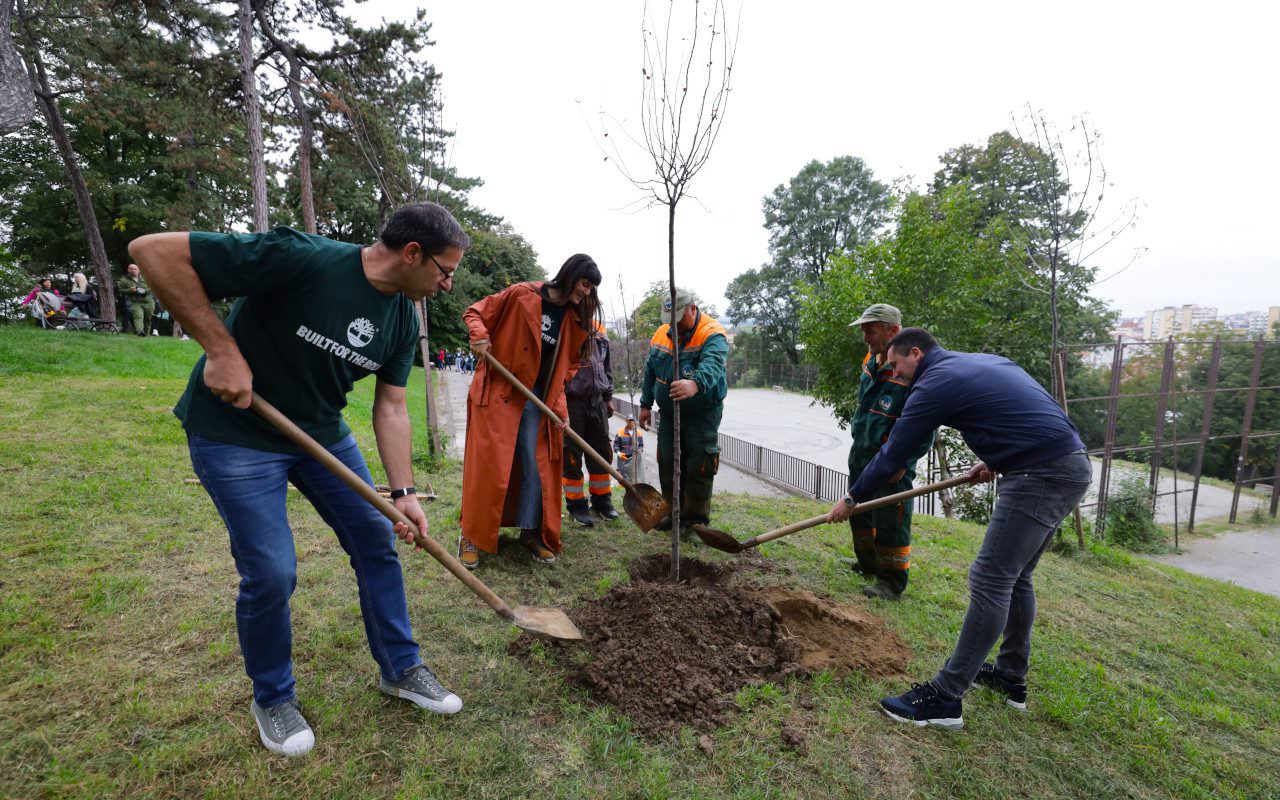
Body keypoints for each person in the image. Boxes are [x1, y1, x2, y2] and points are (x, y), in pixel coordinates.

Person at [128, 201, 469, 757]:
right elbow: (152, 251)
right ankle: (273, 699)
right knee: (271, 570)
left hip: (320, 436)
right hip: (234, 436)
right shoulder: (302, 259)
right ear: (412, 253)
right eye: (445, 271)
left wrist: (403, 494)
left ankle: (401, 668)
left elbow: (391, 408)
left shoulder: (405, 316)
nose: (448, 284)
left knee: (377, 542)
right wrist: (220, 348)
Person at [826, 328, 1091, 730]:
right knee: (1017, 578)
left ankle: (945, 698)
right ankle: (1009, 677)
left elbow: (894, 453)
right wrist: (999, 457)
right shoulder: (981, 361)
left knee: (991, 579)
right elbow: (1029, 415)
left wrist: (853, 498)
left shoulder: (932, 384)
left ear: (915, 353)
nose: (895, 375)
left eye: (896, 366)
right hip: (1067, 461)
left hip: (1041, 475)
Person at [458, 254, 601, 569]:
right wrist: (480, 336)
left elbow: (565, 370)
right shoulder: (521, 294)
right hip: (499, 388)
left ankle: (531, 532)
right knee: (491, 464)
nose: (587, 292)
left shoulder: (573, 320)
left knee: (537, 463)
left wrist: (559, 405)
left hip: (536, 396)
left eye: (592, 288)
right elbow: (475, 312)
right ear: (571, 276)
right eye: (585, 284)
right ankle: (472, 535)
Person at [843, 304, 934, 601]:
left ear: (893, 331)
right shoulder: (872, 360)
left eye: (871, 329)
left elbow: (924, 425)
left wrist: (904, 460)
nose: (865, 336)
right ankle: (867, 564)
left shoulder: (912, 367)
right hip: (862, 451)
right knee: (859, 511)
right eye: (863, 330)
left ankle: (891, 581)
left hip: (892, 458)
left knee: (889, 518)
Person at [638, 290, 729, 532]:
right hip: (668, 414)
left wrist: (695, 383)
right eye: (670, 319)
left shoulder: (712, 333)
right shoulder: (661, 332)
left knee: (699, 467)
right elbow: (650, 370)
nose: (675, 325)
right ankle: (671, 513)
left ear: (692, 308)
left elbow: (713, 365)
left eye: (679, 318)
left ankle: (695, 521)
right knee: (667, 461)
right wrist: (645, 404)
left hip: (702, 414)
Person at [562, 318, 617, 526]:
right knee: (572, 455)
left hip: (598, 401)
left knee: (602, 452)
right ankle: (576, 506)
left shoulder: (599, 328)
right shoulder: (565, 324)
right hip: (571, 401)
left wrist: (608, 397)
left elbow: (606, 364)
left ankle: (602, 501)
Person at [116, 263, 155, 336]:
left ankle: (147, 333)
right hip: (135, 302)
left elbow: (152, 288)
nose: (133, 270)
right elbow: (120, 290)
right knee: (138, 317)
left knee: (147, 319)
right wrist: (130, 290)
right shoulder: (124, 280)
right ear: (128, 270)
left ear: (139, 270)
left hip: (148, 302)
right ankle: (140, 332)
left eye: (135, 269)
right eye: (131, 268)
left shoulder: (145, 278)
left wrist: (145, 291)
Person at [613, 414, 644, 483]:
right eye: (629, 420)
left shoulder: (638, 433)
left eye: (632, 420)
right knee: (624, 479)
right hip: (623, 459)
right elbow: (615, 446)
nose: (631, 422)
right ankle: (625, 491)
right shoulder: (620, 432)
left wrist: (640, 450)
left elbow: (641, 445)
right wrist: (619, 454)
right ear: (626, 421)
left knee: (634, 478)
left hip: (634, 459)